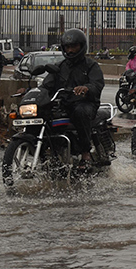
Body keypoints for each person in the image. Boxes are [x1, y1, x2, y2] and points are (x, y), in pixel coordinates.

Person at [40, 28, 104, 167]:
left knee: (80, 112)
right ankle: (48, 150)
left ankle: (85, 152)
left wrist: (87, 88)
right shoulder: (60, 66)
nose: (70, 50)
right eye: (67, 47)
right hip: (64, 103)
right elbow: (47, 85)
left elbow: (97, 84)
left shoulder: (91, 65)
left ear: (81, 46)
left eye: (74, 46)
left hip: (85, 103)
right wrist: (33, 91)